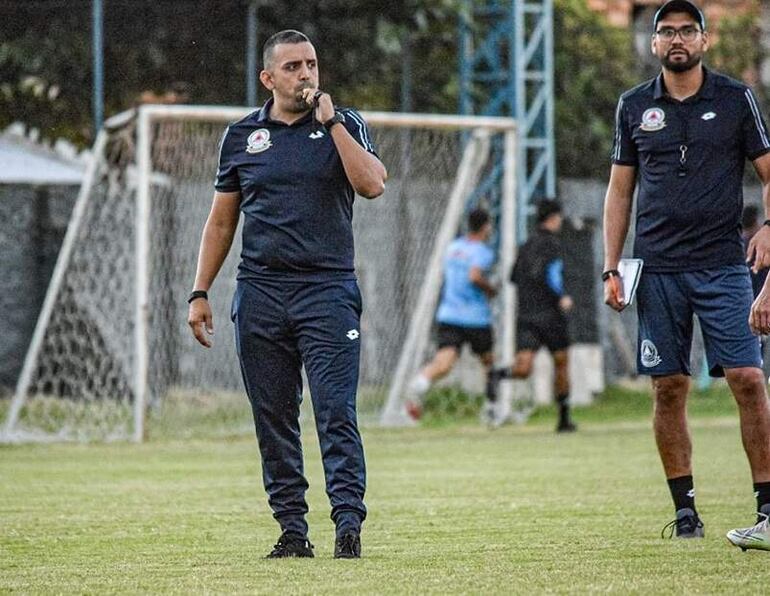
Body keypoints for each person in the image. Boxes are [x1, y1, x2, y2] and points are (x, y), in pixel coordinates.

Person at [187, 29, 387, 559]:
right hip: (261, 293)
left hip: (327, 290)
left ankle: (348, 524)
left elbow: (372, 185)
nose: (306, 75)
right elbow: (221, 221)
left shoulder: (346, 124)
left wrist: (334, 125)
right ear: (268, 78)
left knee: (334, 409)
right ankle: (292, 530)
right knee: (273, 414)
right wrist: (200, 290)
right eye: (294, 67)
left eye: (312, 65)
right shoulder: (241, 137)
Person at [602, 0, 770, 548]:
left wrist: (768, 225)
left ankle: (767, 511)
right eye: (667, 31)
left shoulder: (736, 98)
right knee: (668, 388)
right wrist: (612, 267)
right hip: (657, 270)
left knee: (748, 379)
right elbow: (619, 191)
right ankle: (687, 512)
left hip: (724, 266)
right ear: (654, 45)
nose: (677, 39)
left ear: (704, 40)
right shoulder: (633, 106)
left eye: (687, 30)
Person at [487, 199, 577, 433]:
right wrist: (562, 296)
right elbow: (553, 274)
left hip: (526, 315)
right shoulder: (553, 245)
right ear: (554, 217)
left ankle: (498, 374)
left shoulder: (525, 245)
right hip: (550, 314)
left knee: (523, 368)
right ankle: (563, 418)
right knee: (561, 362)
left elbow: (513, 277)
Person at [405, 207, 498, 422]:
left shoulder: (453, 248)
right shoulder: (483, 252)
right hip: (476, 316)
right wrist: (491, 289)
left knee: (443, 364)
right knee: (489, 363)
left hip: (449, 314)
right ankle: (493, 409)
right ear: (485, 227)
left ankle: (418, 385)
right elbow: (474, 276)